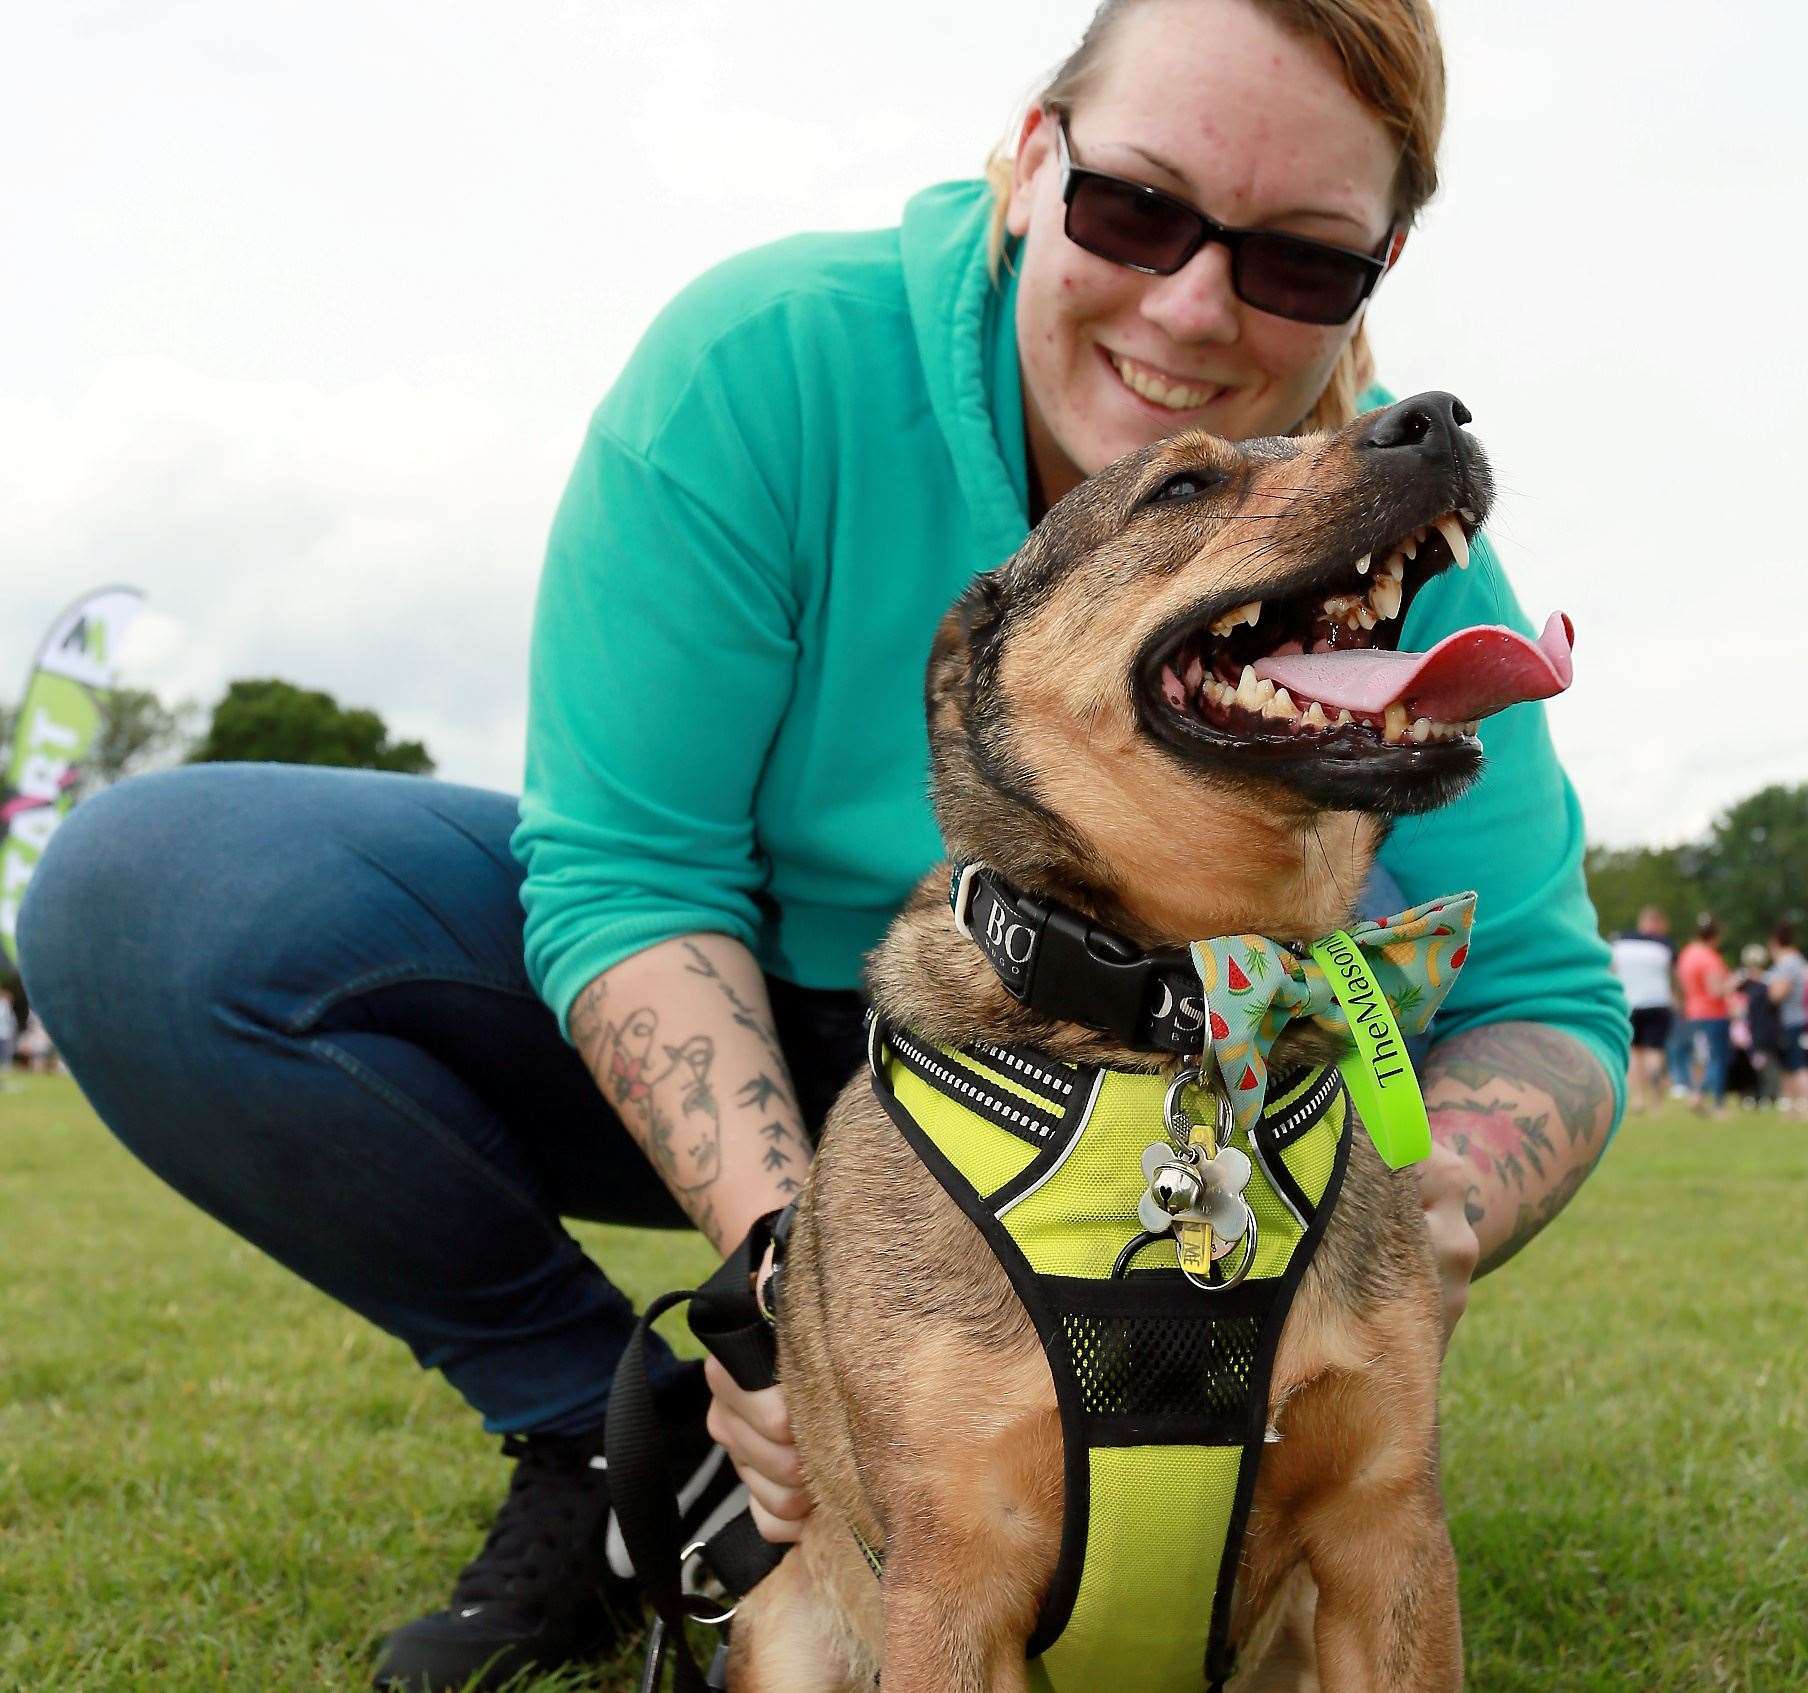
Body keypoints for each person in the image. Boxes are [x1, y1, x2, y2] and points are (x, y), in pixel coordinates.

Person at [15, 2, 1628, 1688]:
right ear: (1024, 164)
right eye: (1131, 210)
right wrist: (805, 1306)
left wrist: (1404, 1230)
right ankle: (607, 1435)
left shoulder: (1394, 567)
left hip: (1220, 1069)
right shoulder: (766, 360)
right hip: (794, 1008)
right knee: (159, 900)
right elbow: (629, 873)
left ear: (1373, 272)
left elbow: (1538, 990)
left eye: (1297, 261)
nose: (1190, 303)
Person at [1610, 905, 1675, 1113]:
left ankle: (1638, 1098)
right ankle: (1656, 1100)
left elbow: (1610, 970)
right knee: (1654, 1051)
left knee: (1634, 1052)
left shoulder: (1620, 943)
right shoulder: (1664, 946)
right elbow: (1674, 975)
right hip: (1657, 1002)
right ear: (1658, 924)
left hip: (1628, 1002)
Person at [1676, 915, 1734, 1118]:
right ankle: (1716, 1103)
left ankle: (1696, 1093)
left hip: (1693, 1012)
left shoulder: (1687, 954)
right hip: (1713, 1014)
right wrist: (1735, 983)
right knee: (1718, 1058)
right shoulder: (1709, 957)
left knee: (1700, 1057)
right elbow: (1715, 990)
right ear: (1715, 936)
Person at [1765, 921, 1808, 1110]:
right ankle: (1793, 1106)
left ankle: (1803, 1103)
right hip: (1797, 1019)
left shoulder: (1787, 963)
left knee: (1797, 1065)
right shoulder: (1797, 960)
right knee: (1790, 1065)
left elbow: (1777, 994)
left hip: (1792, 1020)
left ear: (1775, 942)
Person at [1733, 942, 1780, 1108]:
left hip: (1764, 1030)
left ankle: (1769, 1095)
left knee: (1766, 1064)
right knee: (1749, 1065)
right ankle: (1751, 1095)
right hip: (1747, 1032)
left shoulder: (1768, 982)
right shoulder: (1742, 983)